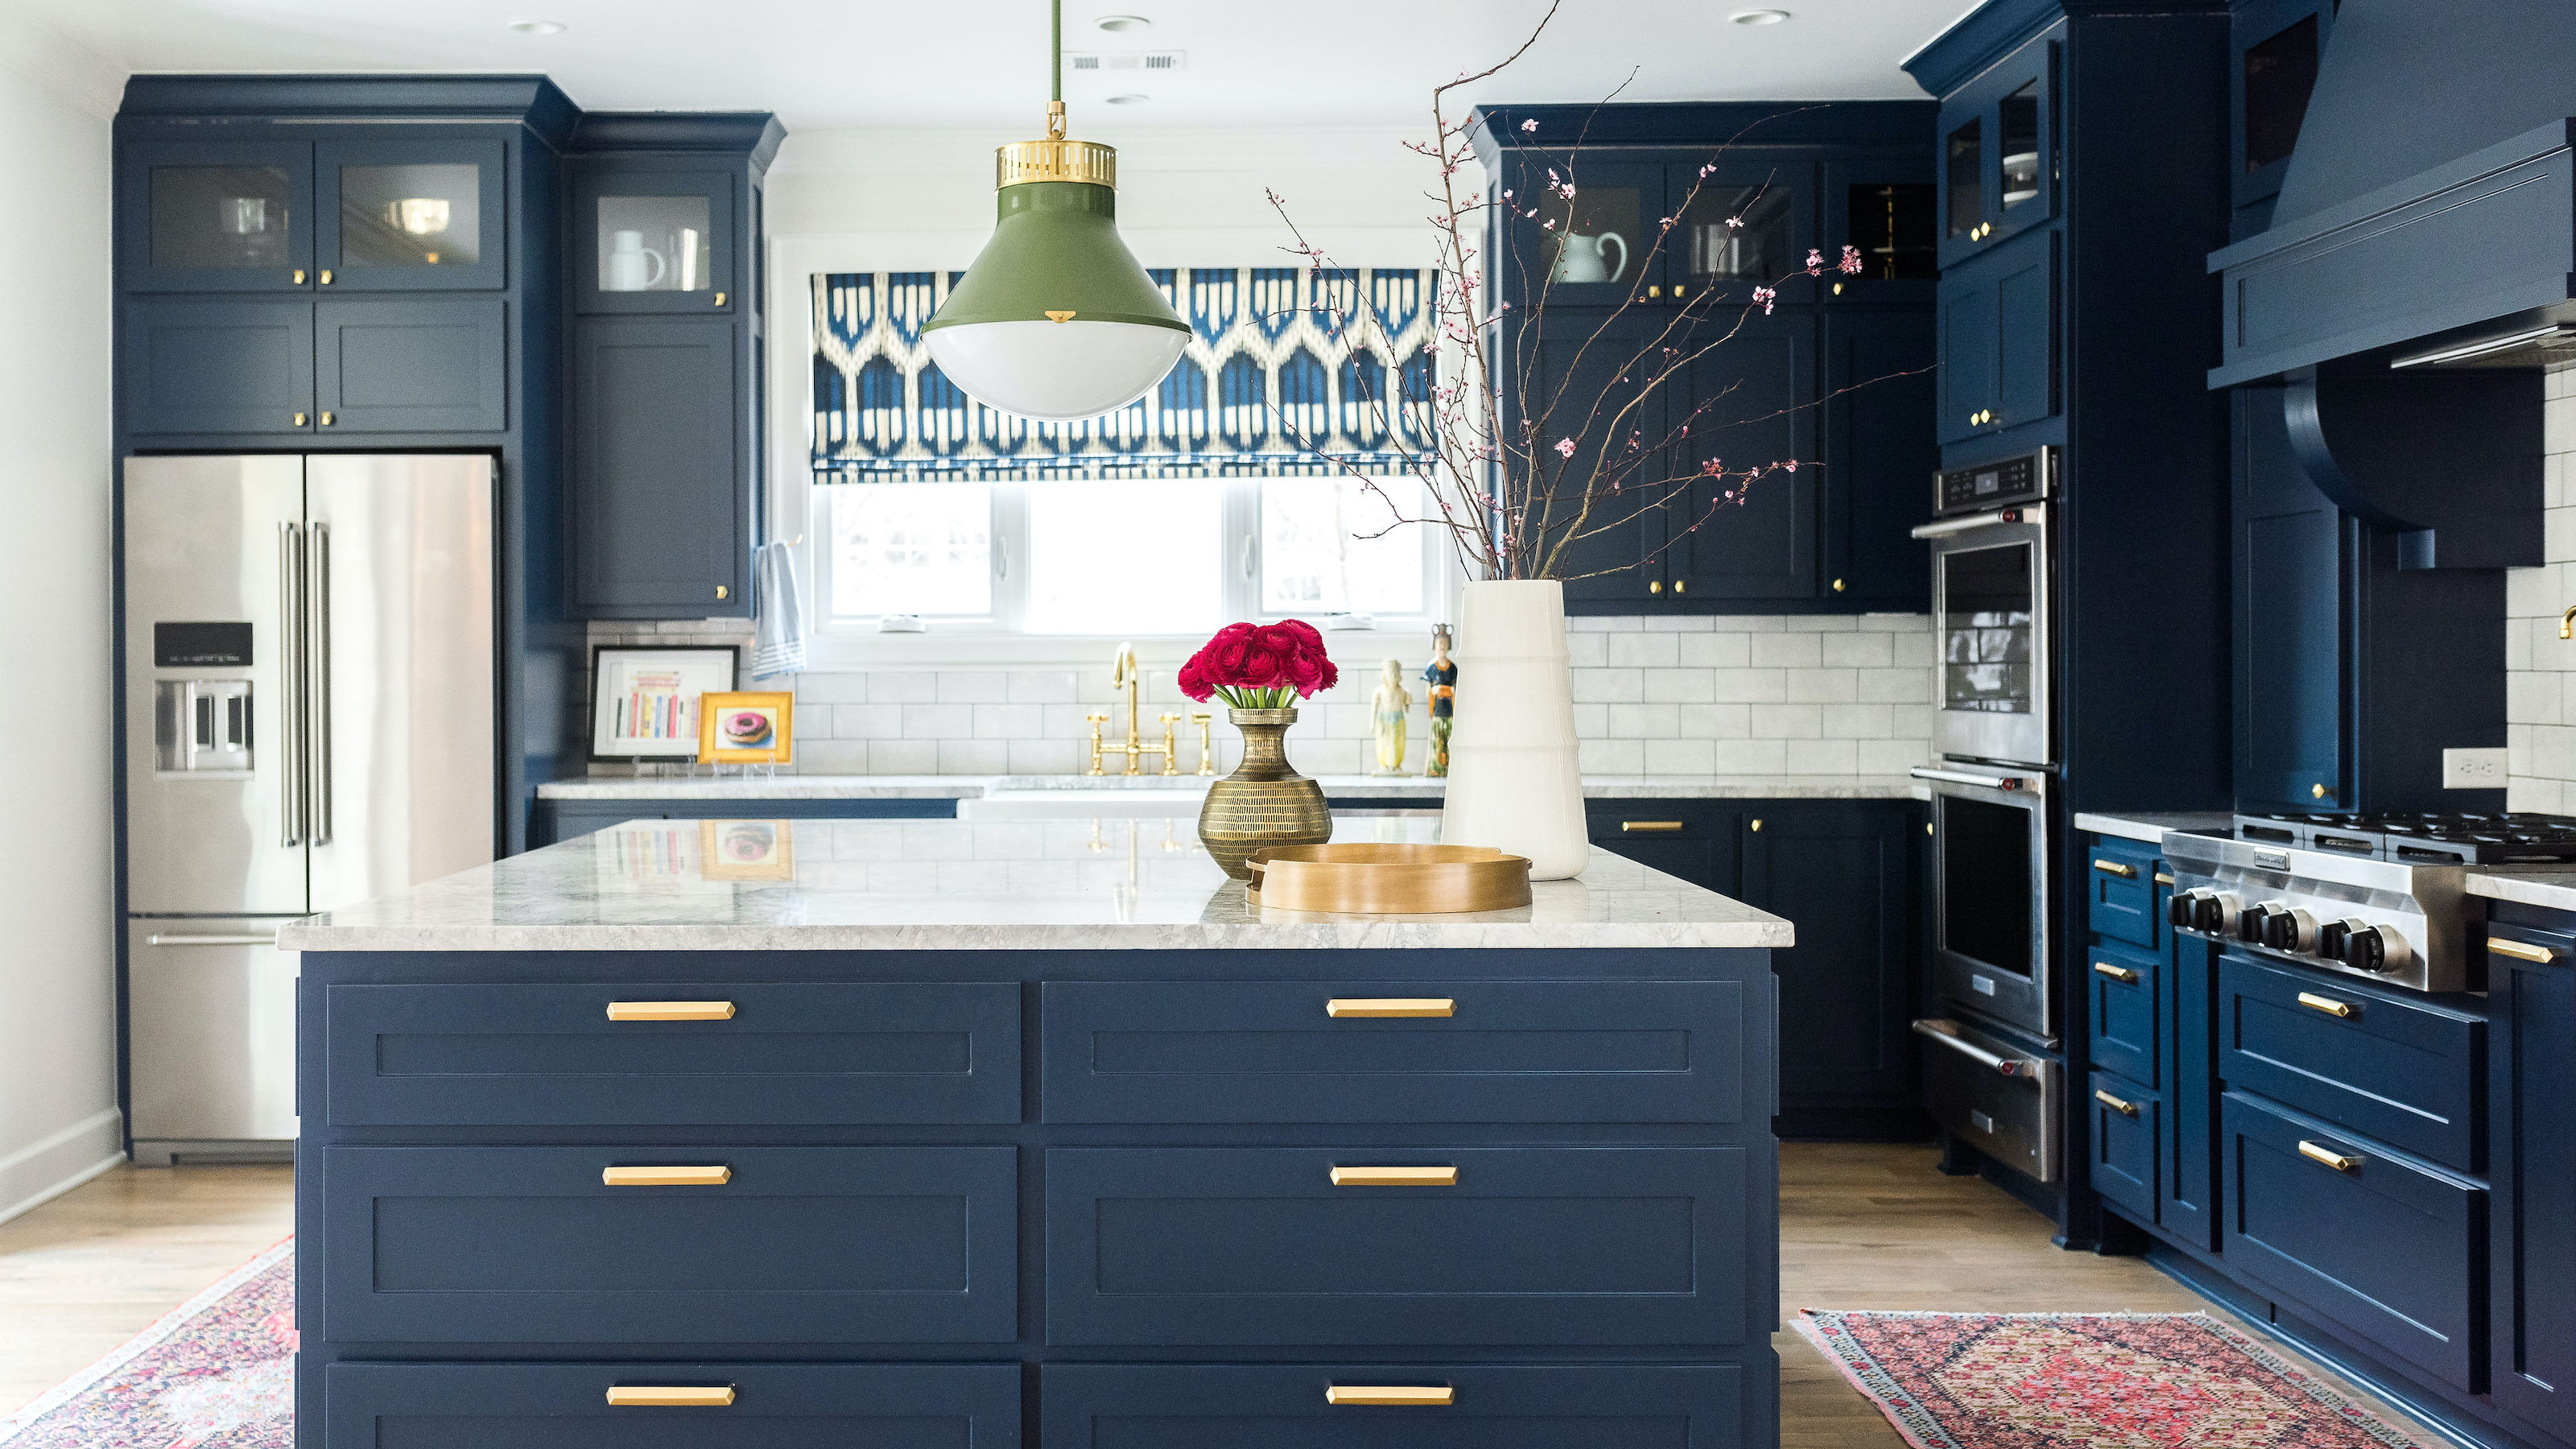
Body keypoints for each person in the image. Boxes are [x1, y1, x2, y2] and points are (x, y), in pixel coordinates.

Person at [1420, 624, 1457, 778]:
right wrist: (1434, 691)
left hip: (1449, 709)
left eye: (1444, 644)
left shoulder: (1453, 668)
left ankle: (1448, 768)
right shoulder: (1431, 667)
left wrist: (1448, 691)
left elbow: (1456, 688)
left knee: (1449, 739)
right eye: (1439, 643)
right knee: (1437, 739)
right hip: (1437, 709)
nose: (1442, 646)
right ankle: (1435, 768)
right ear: (1434, 646)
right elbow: (1428, 688)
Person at [1369, 658, 1412, 775]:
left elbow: (1407, 709)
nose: (1393, 677)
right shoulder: (1379, 691)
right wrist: (1372, 724)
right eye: (1390, 674)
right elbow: (1374, 709)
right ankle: (1384, 765)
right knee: (1384, 742)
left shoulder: (1403, 691)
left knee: (1398, 742)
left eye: (1395, 674)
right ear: (1385, 676)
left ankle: (1396, 765)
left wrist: (1408, 702)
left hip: (1399, 720)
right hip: (1384, 720)